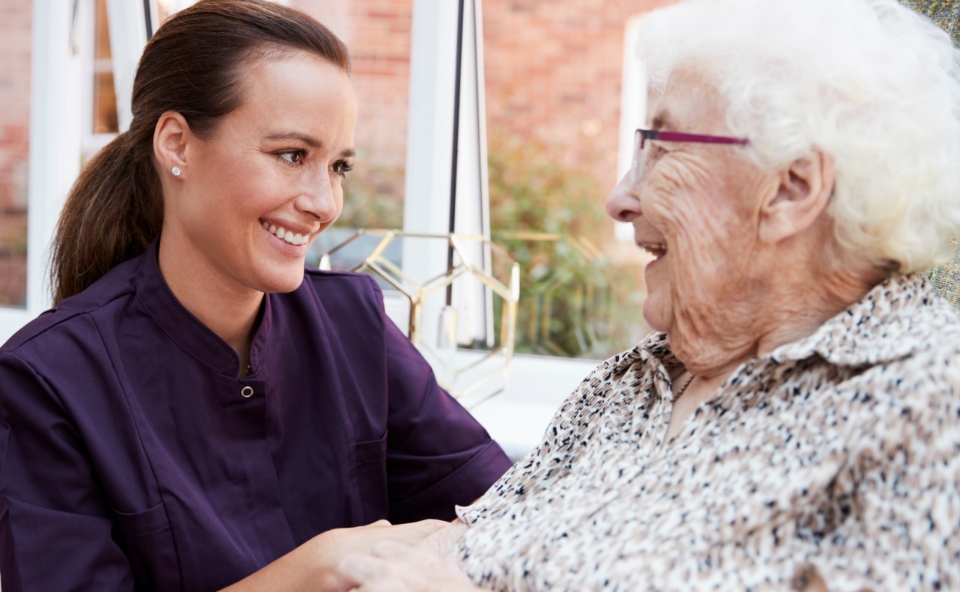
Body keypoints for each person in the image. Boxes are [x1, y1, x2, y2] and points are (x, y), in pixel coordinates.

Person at [335, 0, 960, 590]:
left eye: (661, 149)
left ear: (792, 190)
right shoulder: (630, 383)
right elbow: (462, 546)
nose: (619, 198)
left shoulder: (929, 398)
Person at [0, 1, 512, 590]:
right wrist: (316, 568)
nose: (324, 203)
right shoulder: (48, 379)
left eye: (338, 166)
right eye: (291, 156)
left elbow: (513, 513)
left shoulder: (356, 326)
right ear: (177, 145)